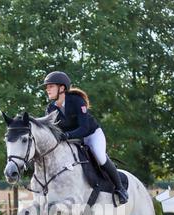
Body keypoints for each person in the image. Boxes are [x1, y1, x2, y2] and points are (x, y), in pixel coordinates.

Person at [42, 71, 128, 205]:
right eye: (46, 87)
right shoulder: (50, 109)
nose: (47, 89)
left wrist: (67, 135)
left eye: (51, 86)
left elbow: (84, 128)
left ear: (62, 88)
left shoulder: (77, 101)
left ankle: (120, 188)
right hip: (71, 140)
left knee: (100, 156)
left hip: (91, 134)